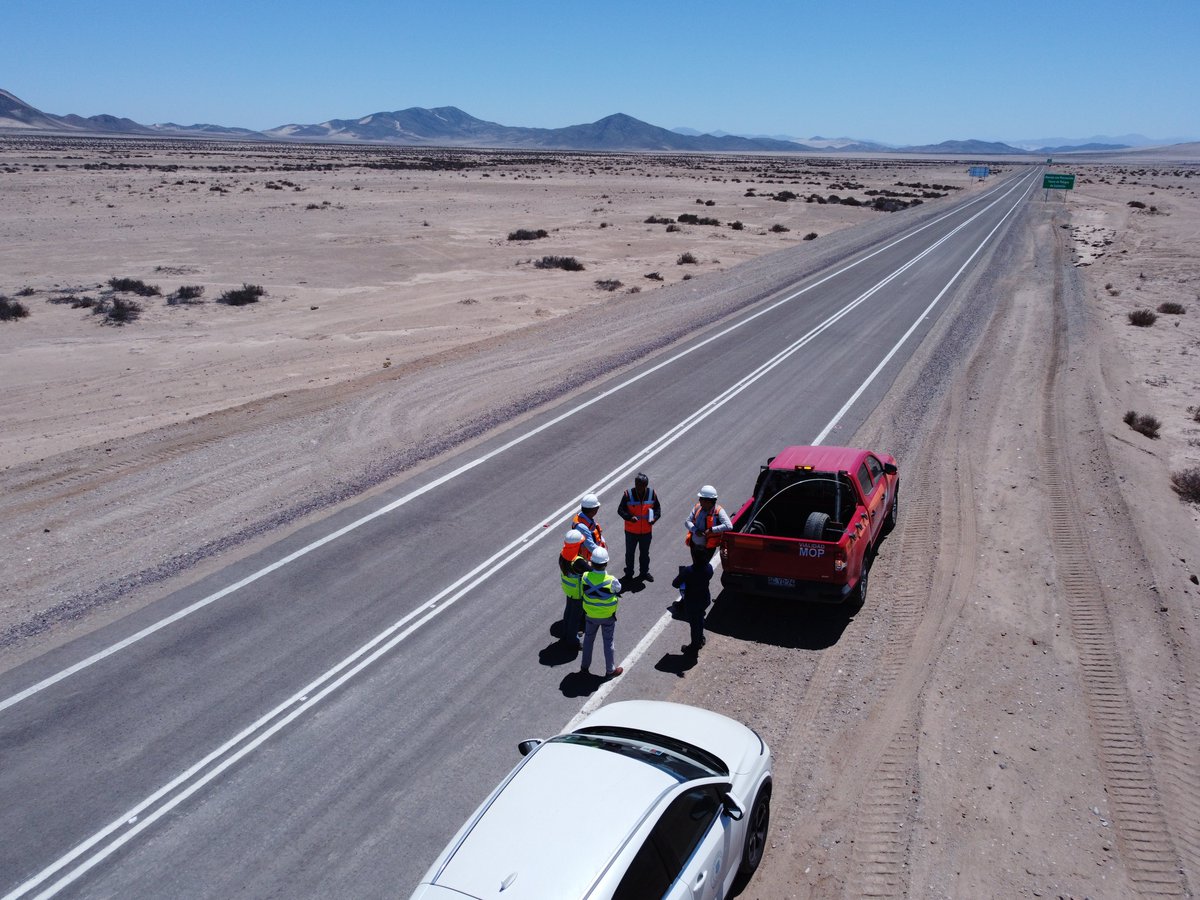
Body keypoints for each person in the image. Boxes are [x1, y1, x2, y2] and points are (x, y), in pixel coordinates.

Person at [579, 546, 624, 678]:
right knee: (608, 642)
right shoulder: (612, 581)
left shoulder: (585, 577)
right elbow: (618, 589)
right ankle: (610, 670)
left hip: (590, 615)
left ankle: (584, 667)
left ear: (591, 562)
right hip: (607, 617)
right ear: (606, 563)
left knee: (588, 640)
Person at [617, 473, 661, 582]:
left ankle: (644, 573)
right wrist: (629, 517)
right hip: (631, 531)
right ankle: (629, 573)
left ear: (645, 485)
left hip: (646, 531)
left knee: (645, 554)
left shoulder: (652, 494)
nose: (637, 487)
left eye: (640, 485)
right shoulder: (628, 494)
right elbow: (620, 510)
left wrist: (654, 519)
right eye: (636, 484)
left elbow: (658, 510)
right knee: (630, 554)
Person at [685, 484, 731, 569]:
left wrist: (711, 530)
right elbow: (687, 522)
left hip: (707, 548)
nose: (699, 500)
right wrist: (695, 530)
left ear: (708, 501)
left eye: (701, 499)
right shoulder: (698, 507)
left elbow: (729, 526)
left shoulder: (718, 511)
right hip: (694, 545)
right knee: (696, 565)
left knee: (702, 567)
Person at [672, 562, 713, 655]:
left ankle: (694, 647)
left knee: (694, 624)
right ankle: (700, 638)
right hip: (704, 599)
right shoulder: (709, 568)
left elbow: (675, 584)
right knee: (700, 618)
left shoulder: (687, 571)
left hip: (693, 602)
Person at [558, 529, 588, 647]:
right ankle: (572, 641)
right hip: (577, 592)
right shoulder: (578, 561)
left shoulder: (563, 555)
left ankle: (566, 634)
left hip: (569, 590)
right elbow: (592, 571)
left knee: (568, 612)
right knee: (575, 617)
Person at [572, 493, 606, 561]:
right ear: (593, 510)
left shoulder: (584, 517)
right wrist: (602, 554)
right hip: (590, 559)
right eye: (597, 508)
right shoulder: (582, 526)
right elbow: (590, 546)